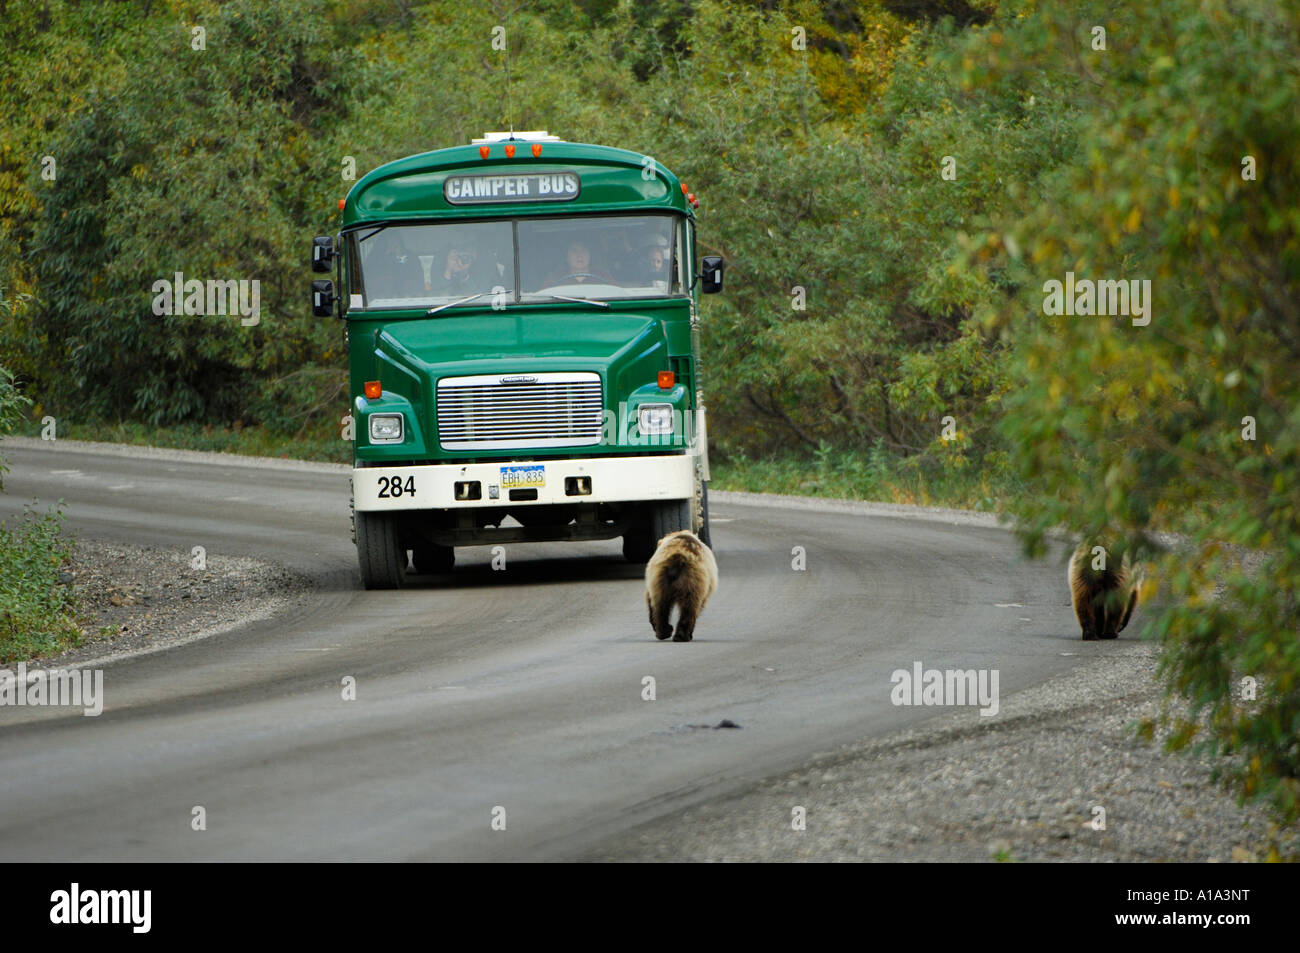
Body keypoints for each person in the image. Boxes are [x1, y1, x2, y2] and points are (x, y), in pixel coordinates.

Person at [364, 229, 425, 299]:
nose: (393, 245)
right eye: (389, 243)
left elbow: (417, 283)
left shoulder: (411, 258)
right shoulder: (374, 259)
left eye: (396, 242)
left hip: (408, 298)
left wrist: (399, 257)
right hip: (379, 300)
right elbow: (368, 282)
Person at [541, 239, 615, 287]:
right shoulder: (555, 278)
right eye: (574, 251)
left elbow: (616, 294)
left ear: (589, 255)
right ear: (567, 257)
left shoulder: (603, 276)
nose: (579, 255)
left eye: (583, 250)